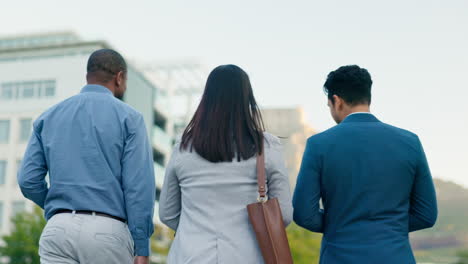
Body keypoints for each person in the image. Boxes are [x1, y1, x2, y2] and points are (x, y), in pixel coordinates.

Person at [18, 49, 155, 264]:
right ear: (119, 77)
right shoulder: (130, 118)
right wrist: (142, 245)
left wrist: (59, 206)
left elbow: (27, 180)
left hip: (58, 230)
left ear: (87, 76)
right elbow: (138, 188)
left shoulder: (48, 116)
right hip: (107, 231)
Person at [292, 65, 438, 264]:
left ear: (336, 101)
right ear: (368, 97)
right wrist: (388, 227)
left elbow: (304, 215)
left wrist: (340, 224)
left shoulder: (319, 144)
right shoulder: (410, 142)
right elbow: (426, 215)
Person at [159, 64, 293, 263]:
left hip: (189, 256)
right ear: (247, 99)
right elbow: (283, 215)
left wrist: (193, 229)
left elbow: (167, 213)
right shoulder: (266, 146)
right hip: (248, 256)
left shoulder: (183, 147)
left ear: (206, 99)